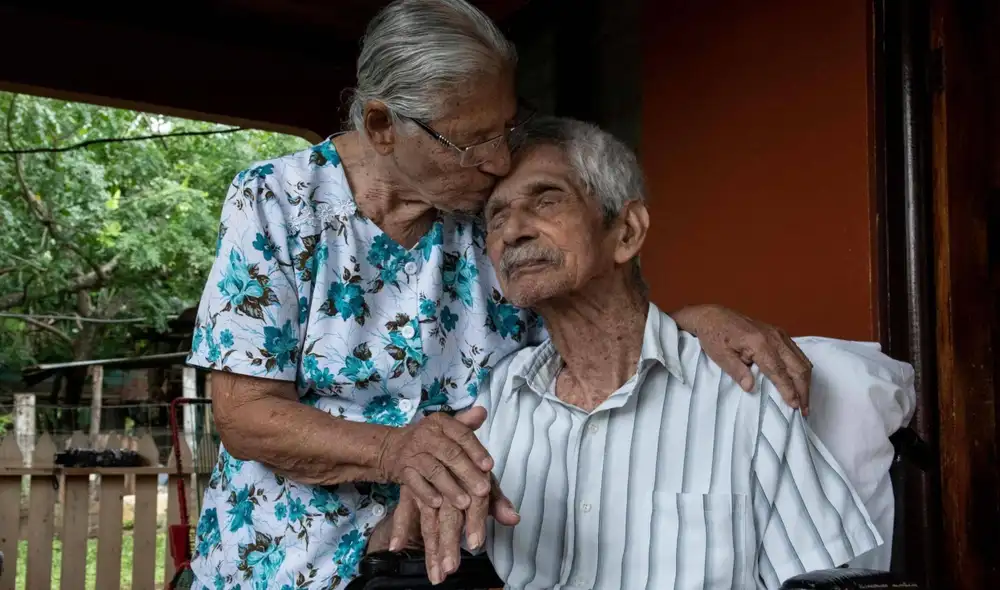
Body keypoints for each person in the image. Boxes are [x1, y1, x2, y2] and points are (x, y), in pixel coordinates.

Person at [184, 1, 815, 588]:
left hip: (451, 559)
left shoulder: (486, 214)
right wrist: (395, 450)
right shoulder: (277, 201)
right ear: (381, 126)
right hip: (284, 560)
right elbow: (244, 414)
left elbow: (586, 317)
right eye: (470, 142)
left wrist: (686, 322)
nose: (494, 163)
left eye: (505, 130)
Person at [375, 116, 915, 589]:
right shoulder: (502, 399)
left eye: (546, 199)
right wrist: (421, 517)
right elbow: (419, 551)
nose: (512, 231)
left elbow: (829, 578)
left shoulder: (742, 392)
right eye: (496, 216)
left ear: (626, 230)